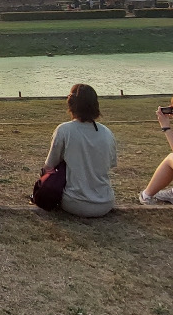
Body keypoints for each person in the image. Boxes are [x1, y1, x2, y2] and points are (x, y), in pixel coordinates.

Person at [41, 84, 118, 217]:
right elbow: (111, 163)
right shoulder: (107, 133)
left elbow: (49, 166)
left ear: (71, 104)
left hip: (74, 203)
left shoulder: (65, 130)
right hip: (105, 203)